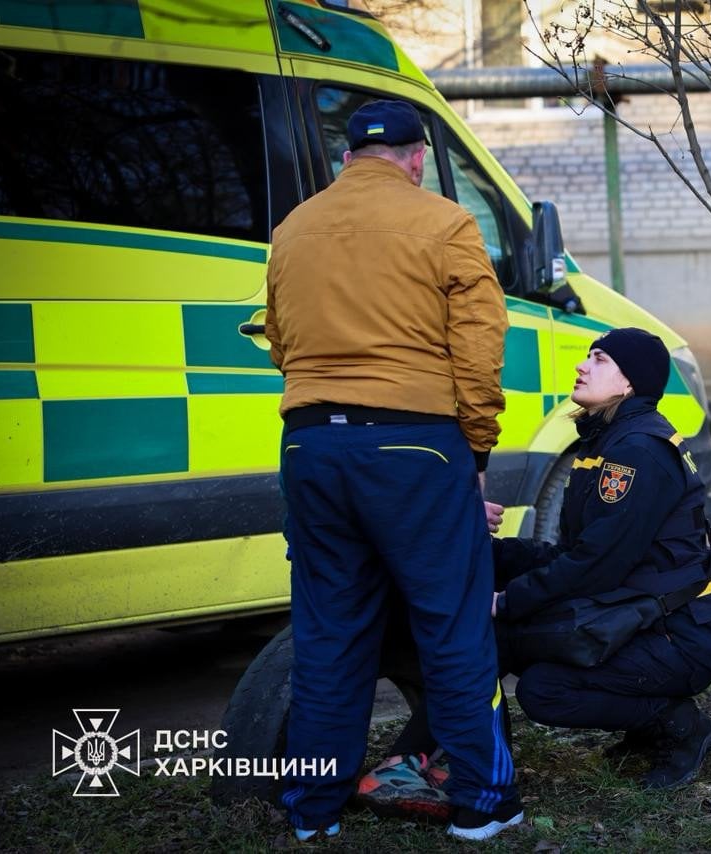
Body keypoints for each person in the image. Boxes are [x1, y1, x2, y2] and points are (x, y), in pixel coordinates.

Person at [265, 99, 520, 842]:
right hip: (415, 446)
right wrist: (475, 451)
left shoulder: (292, 229)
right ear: (416, 159)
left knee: (328, 634)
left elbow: (280, 342)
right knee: (452, 626)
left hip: (310, 446)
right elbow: (479, 349)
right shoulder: (446, 223)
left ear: (347, 159)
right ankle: (482, 805)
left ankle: (312, 811)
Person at [380, 327, 711, 795]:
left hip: (678, 637)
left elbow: (595, 565)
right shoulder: (606, 441)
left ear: (630, 382)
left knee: (538, 682)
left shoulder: (637, 452)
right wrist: (487, 552)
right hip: (637, 614)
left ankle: (681, 725)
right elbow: (573, 553)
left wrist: (507, 601)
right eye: (589, 356)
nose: (582, 365)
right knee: (532, 669)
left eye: (600, 359)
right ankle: (428, 759)